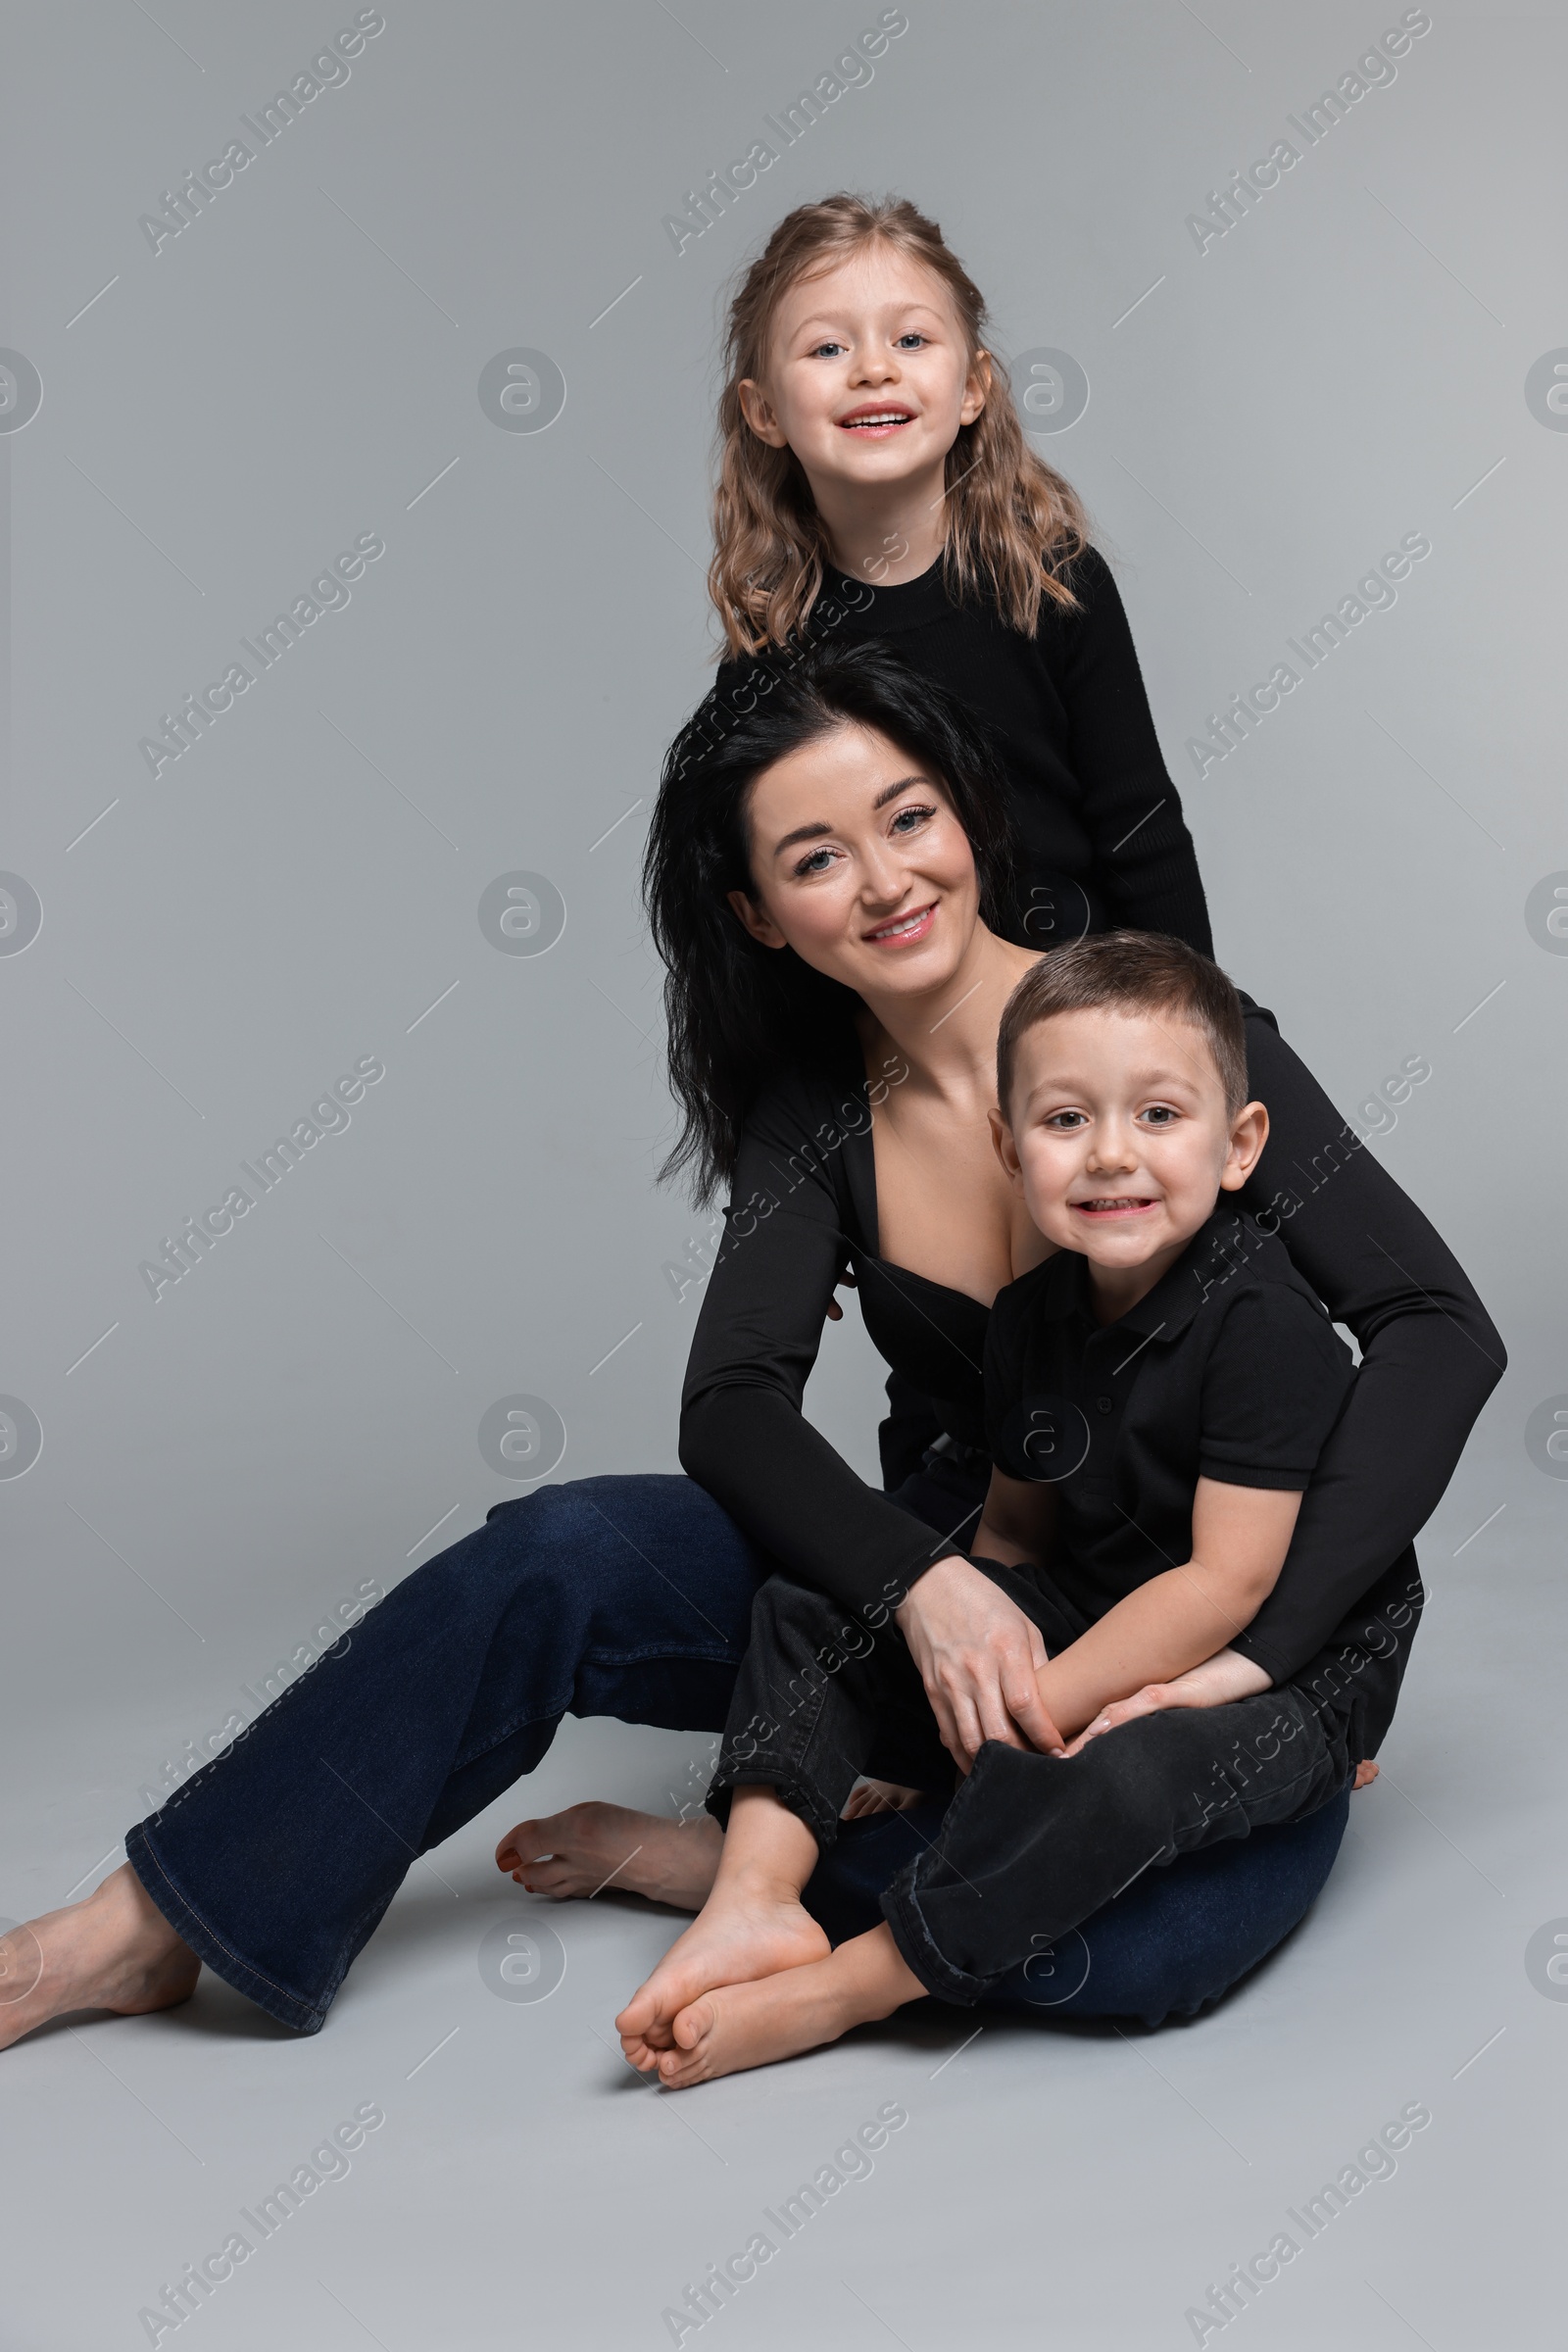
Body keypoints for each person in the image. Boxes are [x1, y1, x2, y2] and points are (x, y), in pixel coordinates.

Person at [0, 646, 1497, 2055]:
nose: (885, 877)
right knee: (558, 1551)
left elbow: (1439, 1332)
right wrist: (928, 1590)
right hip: (964, 1568)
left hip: (1210, 1615)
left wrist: (1261, 1650)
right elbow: (731, 1411)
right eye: (815, 857)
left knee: (1137, 1952)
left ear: (969, 812)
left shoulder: (1163, 1028)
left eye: (907, 817)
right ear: (760, 915)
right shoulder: (814, 1114)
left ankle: (743, 1860)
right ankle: (141, 1925)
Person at [615, 933, 1373, 2085]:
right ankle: (751, 1891)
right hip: (1097, 1600)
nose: (1110, 1156)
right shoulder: (1031, 1318)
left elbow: (1229, 1583)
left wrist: (1034, 1716)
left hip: (1264, 1666)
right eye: (1065, 1121)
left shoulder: (1257, 1322)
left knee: (1113, 1786)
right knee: (822, 1604)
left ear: (1240, 1146)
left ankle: (848, 1987)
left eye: (1159, 1117)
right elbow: (1015, 1535)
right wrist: (946, 1679)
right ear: (1007, 1149)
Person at [692, 187, 1215, 1484]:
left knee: (1139, 1310)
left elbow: (1140, 822)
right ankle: (951, 1496)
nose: (874, 368)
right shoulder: (773, 666)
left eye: (911, 340)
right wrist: (781, 1194)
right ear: (765, 412)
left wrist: (1201, 1048)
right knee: (975, 1353)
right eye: (826, 347)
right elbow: (750, 939)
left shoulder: (1047, 577)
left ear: (975, 386)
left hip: (1080, 1014)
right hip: (906, 1060)